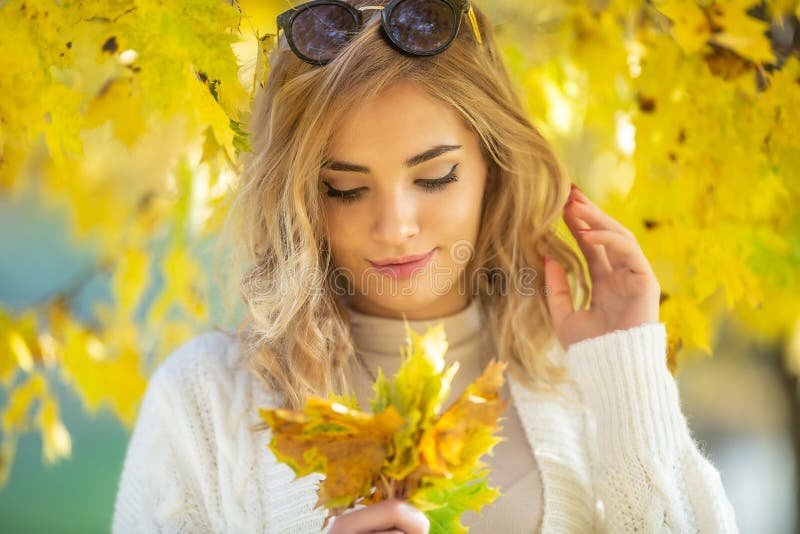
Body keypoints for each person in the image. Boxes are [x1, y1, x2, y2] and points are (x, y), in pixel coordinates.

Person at [112, 1, 739, 532]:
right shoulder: (203, 400)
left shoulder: (581, 379)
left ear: (495, 161)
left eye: (435, 176)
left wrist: (628, 374)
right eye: (344, 189)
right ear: (299, 196)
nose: (395, 227)